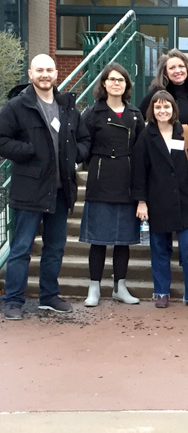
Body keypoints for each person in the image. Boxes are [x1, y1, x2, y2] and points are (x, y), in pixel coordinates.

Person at [0, 54, 90, 320]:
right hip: (29, 190)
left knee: (55, 247)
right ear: (30, 74)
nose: (44, 74)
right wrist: (28, 150)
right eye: (39, 70)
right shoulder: (17, 106)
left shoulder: (67, 106)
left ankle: (49, 296)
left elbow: (84, 139)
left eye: (49, 70)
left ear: (56, 74)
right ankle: (13, 300)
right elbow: (2, 140)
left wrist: (75, 154)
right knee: (21, 248)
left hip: (61, 191)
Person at [132, 91, 188, 309]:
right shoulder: (146, 136)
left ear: (173, 109)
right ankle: (161, 292)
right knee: (159, 249)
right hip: (157, 202)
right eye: (158, 107)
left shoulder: (185, 132)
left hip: (184, 201)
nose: (162, 111)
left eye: (166, 107)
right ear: (152, 111)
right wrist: (141, 201)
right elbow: (139, 171)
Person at [79, 63, 146, 307]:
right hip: (100, 181)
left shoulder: (135, 115)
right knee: (98, 239)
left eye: (121, 80)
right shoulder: (92, 113)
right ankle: (94, 287)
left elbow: (141, 151)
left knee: (123, 239)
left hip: (127, 182)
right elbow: (84, 145)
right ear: (104, 83)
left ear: (127, 85)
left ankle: (120, 287)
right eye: (112, 79)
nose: (116, 83)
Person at [138, 48, 188, 270]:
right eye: (172, 68)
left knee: (187, 213)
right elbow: (143, 120)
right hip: (163, 164)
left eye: (181, 66)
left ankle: (187, 255)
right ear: (165, 72)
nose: (178, 71)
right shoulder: (157, 96)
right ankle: (167, 258)